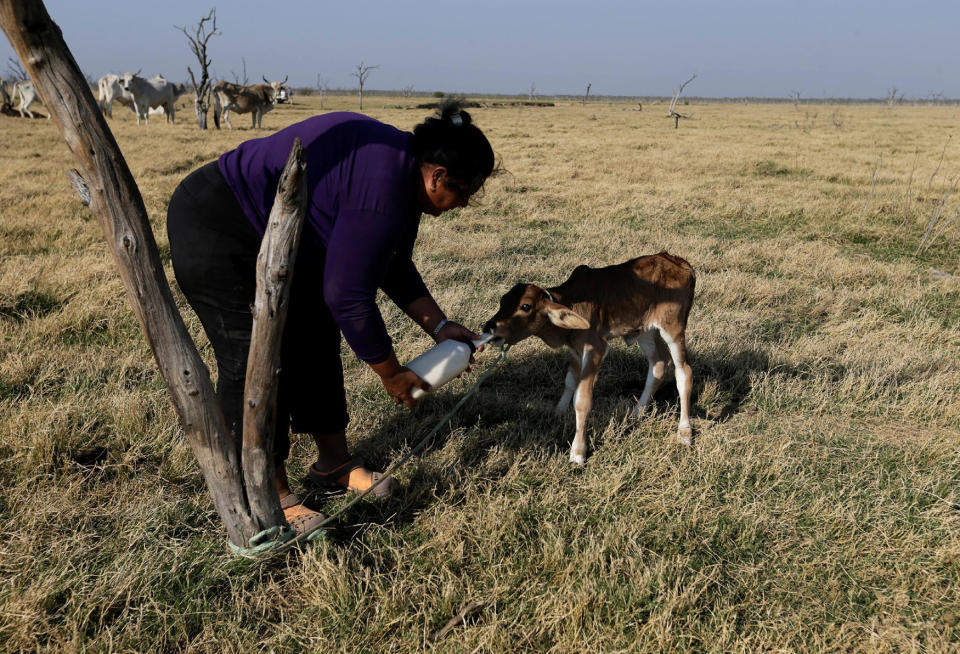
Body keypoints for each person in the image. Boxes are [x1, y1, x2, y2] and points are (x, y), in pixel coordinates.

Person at [166, 100, 496, 536]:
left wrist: (438, 326)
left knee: (316, 330)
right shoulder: (382, 185)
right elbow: (349, 297)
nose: (463, 204)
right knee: (254, 358)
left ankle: (333, 463)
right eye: (464, 193)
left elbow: (392, 264)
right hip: (219, 225)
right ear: (437, 176)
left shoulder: (403, 177)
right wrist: (392, 373)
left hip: (286, 235)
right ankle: (268, 491)